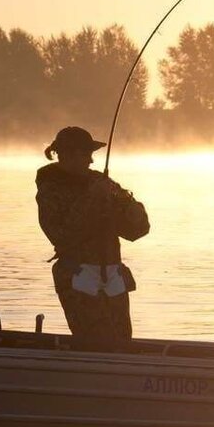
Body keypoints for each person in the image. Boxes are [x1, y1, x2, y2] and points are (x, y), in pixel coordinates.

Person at [36, 126, 150, 352]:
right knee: (97, 345)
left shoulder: (101, 182)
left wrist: (132, 209)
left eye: (91, 154)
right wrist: (93, 199)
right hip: (78, 279)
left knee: (122, 344)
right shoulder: (50, 190)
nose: (90, 160)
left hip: (113, 279)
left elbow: (135, 231)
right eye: (85, 154)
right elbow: (62, 235)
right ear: (66, 155)